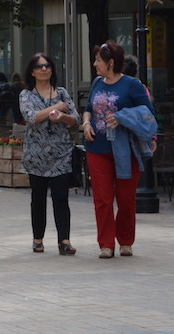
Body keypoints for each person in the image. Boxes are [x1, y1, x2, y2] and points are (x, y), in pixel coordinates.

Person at [81, 40, 153, 259]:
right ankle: (106, 244)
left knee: (125, 199)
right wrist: (85, 124)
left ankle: (126, 241)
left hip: (127, 150)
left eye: (98, 60)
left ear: (111, 62)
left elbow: (147, 114)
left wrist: (123, 118)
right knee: (102, 199)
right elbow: (88, 109)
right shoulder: (96, 83)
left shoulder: (132, 85)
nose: (94, 64)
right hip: (97, 148)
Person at [19, 53, 79, 255]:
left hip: (61, 153)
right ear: (32, 72)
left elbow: (76, 119)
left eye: (47, 66)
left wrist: (63, 116)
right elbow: (31, 117)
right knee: (38, 198)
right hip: (36, 154)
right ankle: (38, 239)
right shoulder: (27, 94)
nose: (44, 69)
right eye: (39, 66)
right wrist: (55, 108)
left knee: (61, 197)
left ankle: (65, 240)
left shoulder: (61, 92)